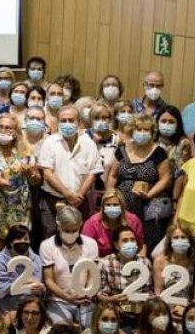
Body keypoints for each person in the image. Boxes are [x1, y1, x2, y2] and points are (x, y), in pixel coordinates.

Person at [37, 106, 102, 239]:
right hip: (53, 201)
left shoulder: (88, 144)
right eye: (63, 120)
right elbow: (48, 174)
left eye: (71, 120)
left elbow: (92, 173)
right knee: (51, 237)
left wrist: (78, 196)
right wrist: (67, 194)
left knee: (79, 237)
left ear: (78, 122)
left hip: (80, 201)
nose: (67, 124)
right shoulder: (49, 142)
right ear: (58, 122)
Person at [105, 115, 171, 245]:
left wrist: (149, 195)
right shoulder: (122, 150)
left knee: (147, 241)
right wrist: (110, 196)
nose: (142, 133)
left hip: (149, 208)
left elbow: (165, 178)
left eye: (146, 130)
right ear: (132, 131)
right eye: (139, 129)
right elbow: (113, 175)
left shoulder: (158, 152)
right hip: (124, 207)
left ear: (152, 133)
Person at [0, 114, 37, 251]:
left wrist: (30, 173)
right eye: (0, 127)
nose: (4, 130)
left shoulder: (26, 153)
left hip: (20, 210)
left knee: (19, 245)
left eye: (8, 128)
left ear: (16, 132)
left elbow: (36, 181)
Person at [40, 206, 98, 326]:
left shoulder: (91, 244)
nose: (71, 234)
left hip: (85, 301)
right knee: (62, 326)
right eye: (67, 230)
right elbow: (48, 280)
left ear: (80, 225)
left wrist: (87, 294)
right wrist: (68, 298)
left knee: (90, 327)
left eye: (74, 230)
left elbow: (93, 275)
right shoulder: (47, 246)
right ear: (58, 225)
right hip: (58, 301)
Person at [96, 226, 152, 329]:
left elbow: (149, 291)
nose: (130, 243)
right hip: (117, 314)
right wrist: (110, 300)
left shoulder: (145, 262)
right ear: (117, 245)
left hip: (142, 314)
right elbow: (100, 294)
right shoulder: (105, 263)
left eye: (132, 240)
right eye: (125, 241)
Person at [0, 225, 46, 319]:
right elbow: (2, 288)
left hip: (32, 307)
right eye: (18, 238)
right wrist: (24, 282)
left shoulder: (37, 259)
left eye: (26, 238)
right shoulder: (0, 259)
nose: (23, 241)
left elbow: (36, 286)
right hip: (9, 307)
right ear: (10, 241)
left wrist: (41, 288)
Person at [81, 190, 145, 257]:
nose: (112, 207)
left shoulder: (133, 220)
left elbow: (141, 244)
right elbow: (86, 248)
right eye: (108, 205)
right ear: (103, 207)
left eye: (115, 205)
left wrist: (141, 261)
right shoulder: (92, 224)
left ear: (122, 206)